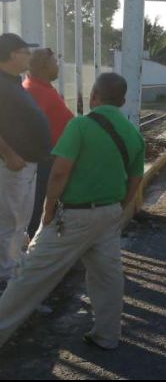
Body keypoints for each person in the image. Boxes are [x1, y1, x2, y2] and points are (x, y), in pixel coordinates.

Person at [0, 72, 145, 350]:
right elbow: (135, 180)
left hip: (72, 217)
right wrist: (118, 210)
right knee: (108, 277)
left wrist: (48, 211)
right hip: (109, 213)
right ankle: (107, 335)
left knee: (29, 277)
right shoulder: (133, 134)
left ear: (93, 96)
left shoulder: (80, 125)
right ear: (123, 101)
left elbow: (59, 173)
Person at [0, 33, 50, 291]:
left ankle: (13, 270)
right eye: (24, 51)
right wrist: (8, 153)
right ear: (10, 55)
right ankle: (5, 278)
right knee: (8, 222)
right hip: (12, 165)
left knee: (20, 220)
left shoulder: (14, 82)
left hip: (27, 164)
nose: (29, 56)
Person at [23, 48, 74, 238]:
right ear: (45, 66)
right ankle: (36, 253)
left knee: (44, 206)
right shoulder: (33, 91)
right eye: (55, 62)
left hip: (51, 158)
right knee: (38, 208)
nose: (58, 66)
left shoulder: (41, 87)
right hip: (44, 161)